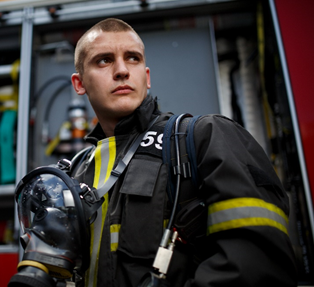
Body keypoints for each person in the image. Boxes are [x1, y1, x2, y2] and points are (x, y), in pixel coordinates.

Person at [70, 18, 297, 287]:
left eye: (133, 58)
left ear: (147, 76)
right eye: (104, 60)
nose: (122, 70)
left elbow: (257, 269)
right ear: (79, 83)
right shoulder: (78, 171)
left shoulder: (206, 136)